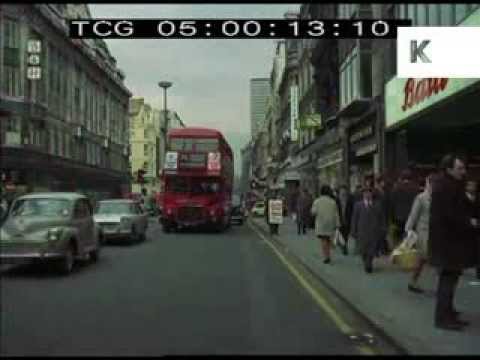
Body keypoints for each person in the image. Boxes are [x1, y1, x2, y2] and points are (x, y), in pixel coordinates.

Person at [429, 154, 477, 331]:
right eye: (460, 168)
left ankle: (448, 312)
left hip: (450, 243)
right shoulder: (445, 186)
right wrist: (469, 222)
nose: (463, 172)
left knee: (451, 279)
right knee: (447, 281)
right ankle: (442, 318)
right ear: (449, 169)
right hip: (447, 244)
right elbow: (450, 215)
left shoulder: (450, 184)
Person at [404, 173, 435, 293]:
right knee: (423, 258)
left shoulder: (438, 197)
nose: (431, 186)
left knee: (424, 259)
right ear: (427, 184)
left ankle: (413, 281)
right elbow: (413, 215)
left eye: (434, 184)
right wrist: (408, 229)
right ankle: (413, 281)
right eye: (430, 184)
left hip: (435, 232)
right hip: (423, 232)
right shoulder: (421, 198)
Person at [351, 186, 387, 273]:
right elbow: (354, 219)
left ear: (372, 194)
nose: (367, 194)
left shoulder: (377, 204)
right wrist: (353, 230)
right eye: (365, 192)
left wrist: (383, 228)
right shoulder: (358, 205)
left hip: (374, 231)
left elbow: (382, 218)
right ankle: (366, 262)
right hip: (362, 231)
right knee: (363, 250)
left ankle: (369, 264)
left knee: (372, 250)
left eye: (369, 192)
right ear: (363, 194)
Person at [311, 185, 340, 264]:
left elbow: (313, 212)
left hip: (321, 223)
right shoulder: (332, 202)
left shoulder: (317, 201)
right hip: (330, 223)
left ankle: (326, 257)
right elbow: (336, 214)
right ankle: (330, 250)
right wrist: (338, 224)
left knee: (323, 240)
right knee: (327, 238)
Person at [391, 170, 419, 247]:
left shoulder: (396, 188)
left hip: (399, 217)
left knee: (399, 239)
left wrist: (393, 218)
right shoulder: (415, 188)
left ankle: (400, 254)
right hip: (411, 218)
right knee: (410, 239)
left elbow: (392, 204)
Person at [464, 179, 480, 280]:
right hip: (466, 224)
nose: (472, 187)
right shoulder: (462, 197)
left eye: (474, 185)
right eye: (470, 185)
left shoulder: (477, 198)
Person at [374, 175, 390, 256]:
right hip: (378, 215)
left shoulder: (384, 191)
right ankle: (379, 249)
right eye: (382, 182)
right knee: (379, 232)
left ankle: (382, 249)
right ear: (379, 183)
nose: (384, 184)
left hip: (384, 214)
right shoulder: (375, 192)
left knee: (383, 232)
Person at [338, 185, 354, 255]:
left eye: (344, 191)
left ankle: (344, 246)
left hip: (347, 220)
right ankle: (343, 246)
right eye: (342, 191)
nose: (343, 192)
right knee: (341, 234)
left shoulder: (350, 199)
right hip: (339, 220)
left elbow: (352, 210)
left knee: (346, 235)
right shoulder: (337, 200)